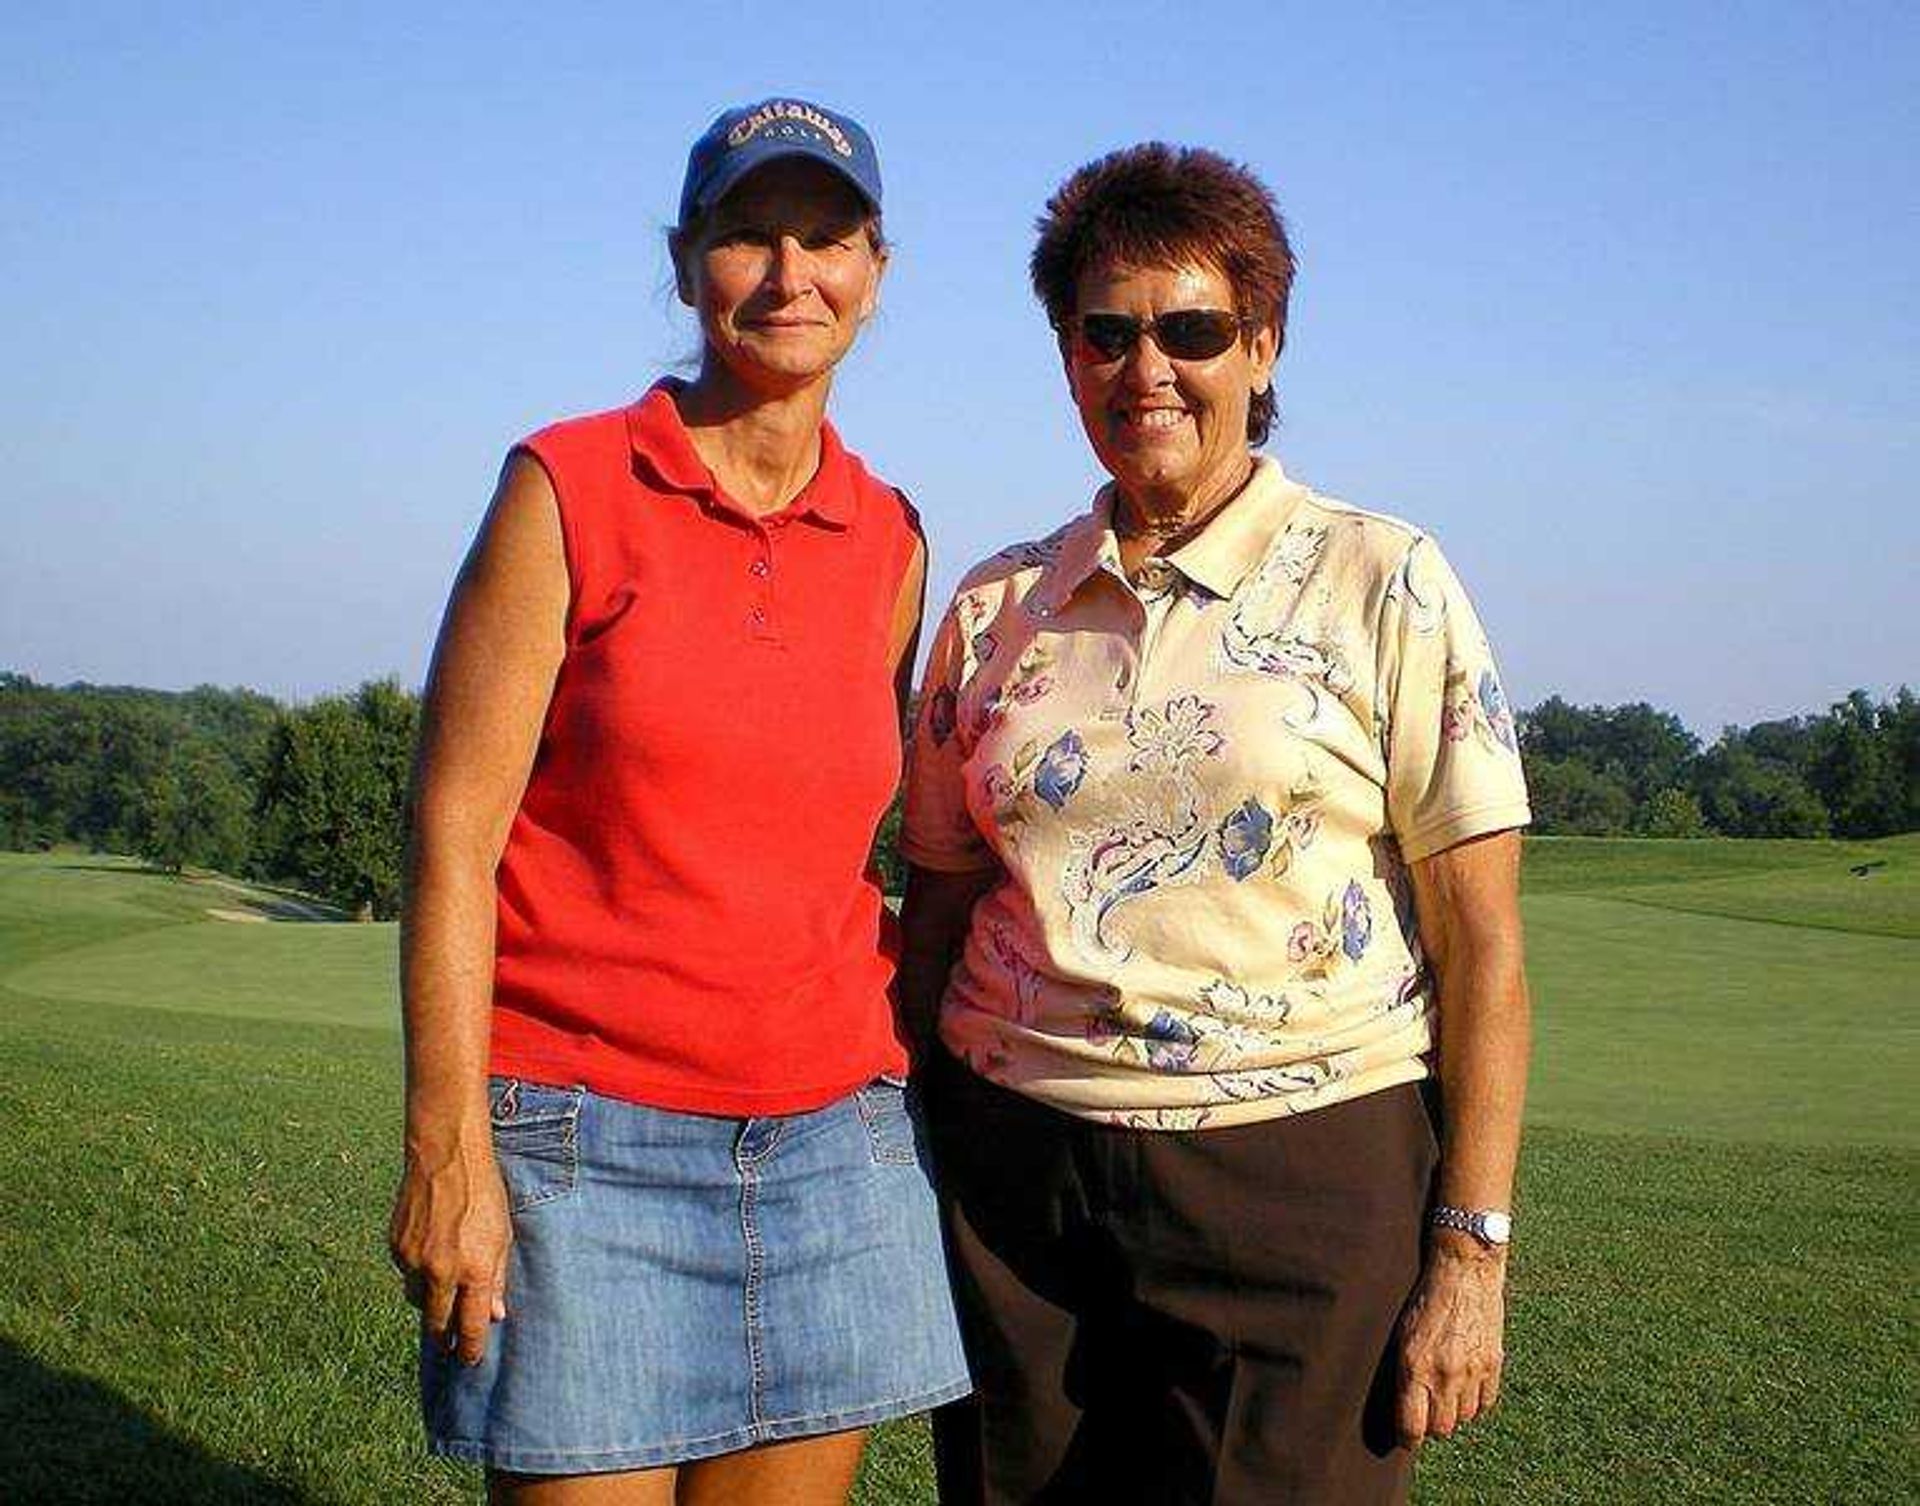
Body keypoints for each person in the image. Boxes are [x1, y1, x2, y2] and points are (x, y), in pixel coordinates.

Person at [901, 142, 1532, 1505]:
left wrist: (1471, 1251)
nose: (1148, 369)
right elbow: (939, 904)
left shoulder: (1385, 579)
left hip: (1304, 1177)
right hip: (1016, 1177)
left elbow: (1481, 940)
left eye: (1192, 330)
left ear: (1263, 346)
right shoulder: (993, 609)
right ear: (1065, 353)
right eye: (1106, 331)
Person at [388, 97, 968, 1505]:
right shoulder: (567, 488)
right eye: (747, 236)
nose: (790, 276)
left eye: (826, 239)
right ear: (683, 257)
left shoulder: (892, 539)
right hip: (586, 1154)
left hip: (835, 1150)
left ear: (878, 272)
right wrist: (446, 1144)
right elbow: (452, 836)